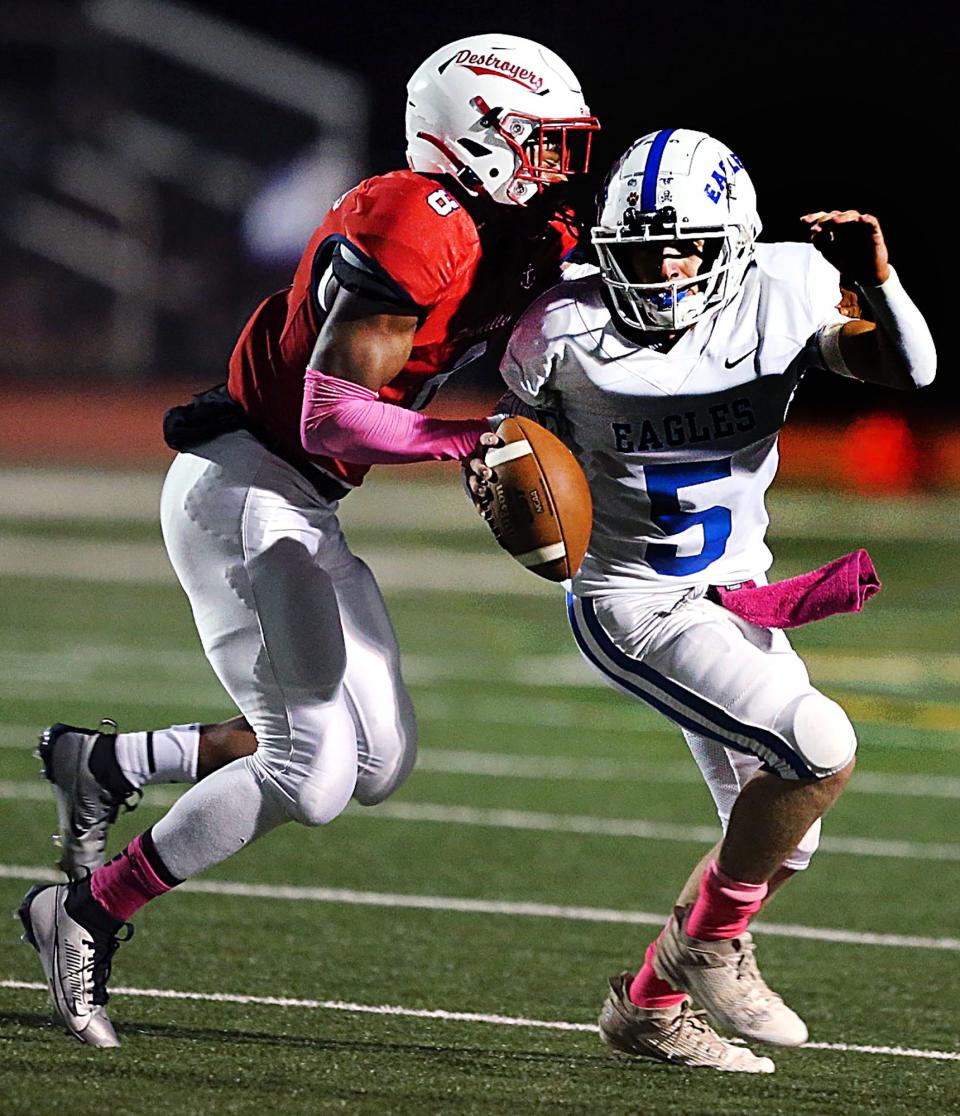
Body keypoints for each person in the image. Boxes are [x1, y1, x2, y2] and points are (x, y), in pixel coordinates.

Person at [17, 33, 599, 1049]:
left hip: (302, 500)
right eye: (540, 144)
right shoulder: (415, 216)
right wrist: (468, 439)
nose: (558, 169)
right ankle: (82, 913)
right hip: (245, 488)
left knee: (378, 761)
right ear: (474, 137)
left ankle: (111, 762)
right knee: (311, 770)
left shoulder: (513, 232)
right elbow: (332, 412)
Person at [482, 128, 936, 1072]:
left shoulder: (785, 288)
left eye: (681, 246)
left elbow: (910, 371)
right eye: (639, 252)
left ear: (732, 242)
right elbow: (514, 460)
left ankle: (647, 1007)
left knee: (781, 842)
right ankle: (709, 947)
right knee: (820, 746)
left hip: (735, 597)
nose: (660, 269)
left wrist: (879, 283)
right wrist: (509, 491)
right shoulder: (561, 332)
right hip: (636, 601)